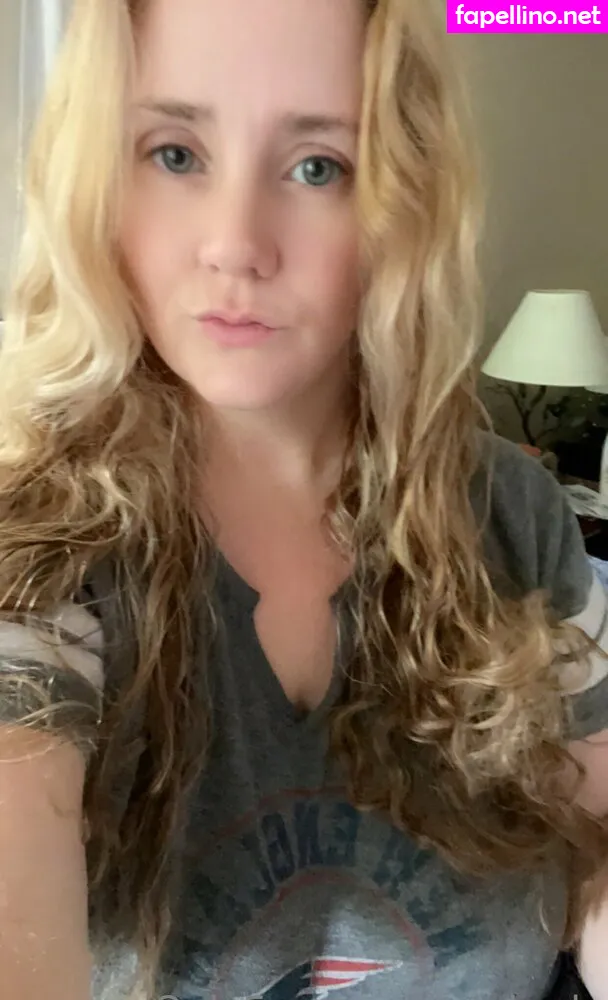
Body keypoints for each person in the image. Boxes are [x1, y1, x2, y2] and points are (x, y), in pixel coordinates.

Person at [0, 1, 607, 998]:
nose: (236, 245)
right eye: (174, 154)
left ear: (402, 204)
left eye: (317, 166)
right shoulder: (32, 544)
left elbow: (592, 850)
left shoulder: (514, 510)